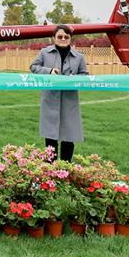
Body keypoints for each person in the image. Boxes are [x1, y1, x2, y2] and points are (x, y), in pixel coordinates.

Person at [30, 24, 88, 162]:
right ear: (54, 38)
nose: (63, 39)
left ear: (70, 39)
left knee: (69, 134)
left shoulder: (79, 57)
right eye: (60, 36)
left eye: (66, 37)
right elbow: (33, 67)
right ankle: (50, 167)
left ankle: (66, 166)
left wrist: (75, 78)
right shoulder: (44, 53)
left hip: (70, 100)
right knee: (50, 136)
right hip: (50, 99)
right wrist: (48, 71)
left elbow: (85, 75)